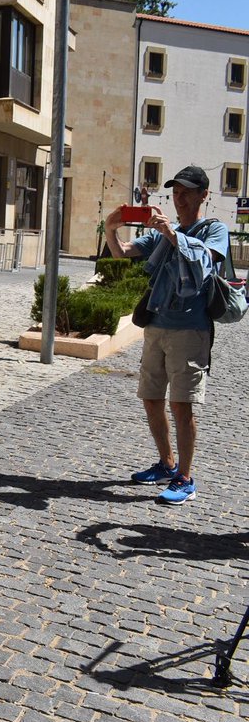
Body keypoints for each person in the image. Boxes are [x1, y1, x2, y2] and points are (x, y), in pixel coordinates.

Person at [103, 164, 229, 505]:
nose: (180, 198)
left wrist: (173, 232)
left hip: (191, 329)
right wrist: (110, 228)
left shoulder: (214, 229)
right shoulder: (160, 233)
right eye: (175, 192)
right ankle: (166, 463)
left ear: (204, 195)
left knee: (181, 405)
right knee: (151, 398)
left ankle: (185, 478)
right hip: (156, 326)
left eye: (187, 192)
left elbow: (207, 259)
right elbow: (123, 254)